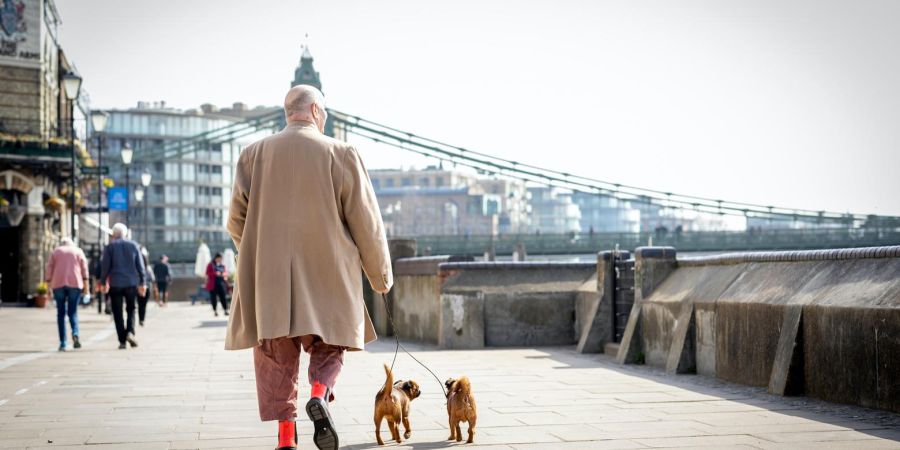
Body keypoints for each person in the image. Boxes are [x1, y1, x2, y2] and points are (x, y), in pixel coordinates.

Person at [224, 85, 392, 450]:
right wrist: (380, 277)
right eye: (325, 112)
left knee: (275, 355)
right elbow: (367, 223)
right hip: (327, 275)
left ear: (289, 111)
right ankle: (319, 393)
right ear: (316, 110)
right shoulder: (342, 153)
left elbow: (236, 221)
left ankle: (286, 438)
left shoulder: (252, 155)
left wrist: (258, 252)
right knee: (331, 342)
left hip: (271, 282)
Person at [100, 223, 146, 349]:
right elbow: (140, 266)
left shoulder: (110, 247)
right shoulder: (134, 245)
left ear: (114, 234)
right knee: (131, 308)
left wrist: (103, 282)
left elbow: (105, 267)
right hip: (131, 283)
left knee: (117, 312)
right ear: (125, 233)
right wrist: (143, 282)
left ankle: (122, 340)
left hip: (115, 283)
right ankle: (130, 332)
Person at [45, 237, 89, 351]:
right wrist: (86, 287)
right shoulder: (78, 251)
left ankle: (63, 342)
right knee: (73, 312)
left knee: (60, 314)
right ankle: (75, 332)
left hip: (58, 284)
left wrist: (47, 286)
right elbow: (84, 269)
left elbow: (49, 269)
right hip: (75, 284)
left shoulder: (55, 252)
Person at [206, 253, 229, 317]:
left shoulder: (222, 265)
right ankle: (215, 311)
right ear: (216, 258)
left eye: (221, 259)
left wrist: (224, 275)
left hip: (221, 284)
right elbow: (207, 273)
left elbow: (225, 273)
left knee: (223, 297)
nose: (220, 260)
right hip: (213, 285)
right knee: (213, 299)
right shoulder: (210, 265)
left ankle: (225, 310)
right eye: (219, 258)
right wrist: (215, 273)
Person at [137, 248, 155, 326]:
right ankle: (142, 319)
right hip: (146, 287)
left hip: (138, 287)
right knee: (143, 304)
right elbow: (152, 278)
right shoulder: (148, 268)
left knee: (139, 303)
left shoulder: (135, 268)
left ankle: (141, 319)